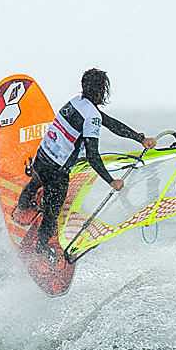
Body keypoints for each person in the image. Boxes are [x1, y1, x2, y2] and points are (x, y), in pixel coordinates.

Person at [14, 68, 157, 258]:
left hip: (41, 157)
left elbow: (111, 124)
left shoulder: (76, 102)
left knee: (36, 180)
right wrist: (111, 181)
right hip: (56, 172)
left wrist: (140, 139)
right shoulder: (92, 115)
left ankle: (22, 206)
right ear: (100, 91)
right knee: (51, 212)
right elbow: (92, 155)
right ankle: (40, 251)